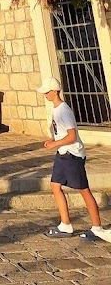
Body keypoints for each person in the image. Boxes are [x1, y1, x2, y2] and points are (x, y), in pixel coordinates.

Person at [39, 76, 111, 241]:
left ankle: (97, 227)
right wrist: (54, 141)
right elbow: (63, 133)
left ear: (55, 91)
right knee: (55, 185)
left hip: (73, 155)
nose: (45, 95)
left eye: (47, 92)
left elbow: (72, 136)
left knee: (84, 190)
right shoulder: (56, 109)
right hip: (63, 154)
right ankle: (65, 225)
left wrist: (54, 144)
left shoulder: (63, 110)